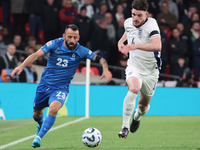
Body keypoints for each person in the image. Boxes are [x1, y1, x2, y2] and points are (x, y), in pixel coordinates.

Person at [11, 24, 112, 148]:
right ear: (64, 36)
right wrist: (21, 66)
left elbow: (101, 59)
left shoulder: (81, 50)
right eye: (69, 37)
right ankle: (41, 124)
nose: (72, 40)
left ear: (78, 37)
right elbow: (36, 55)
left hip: (61, 88)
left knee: (53, 109)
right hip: (44, 86)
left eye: (75, 38)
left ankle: (38, 137)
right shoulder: (54, 44)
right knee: (36, 115)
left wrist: (105, 69)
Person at [117, 0, 162, 138]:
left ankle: (137, 116)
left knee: (143, 107)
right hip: (134, 66)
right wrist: (121, 42)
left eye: (139, 16)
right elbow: (129, 31)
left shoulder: (152, 24)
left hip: (151, 71)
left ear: (146, 14)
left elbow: (157, 45)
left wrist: (134, 46)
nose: (135, 18)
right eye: (133, 14)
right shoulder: (128, 22)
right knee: (134, 89)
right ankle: (124, 127)